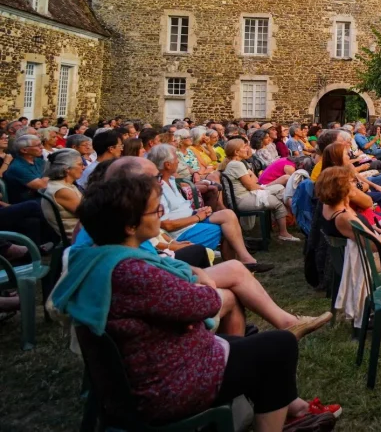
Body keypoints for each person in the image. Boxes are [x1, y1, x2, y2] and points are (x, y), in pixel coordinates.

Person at [52, 171, 340, 430]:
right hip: (166, 384)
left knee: (256, 346)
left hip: (149, 368)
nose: (160, 216)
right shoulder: (132, 272)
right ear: (129, 226)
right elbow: (205, 305)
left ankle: (289, 410)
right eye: (156, 211)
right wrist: (203, 279)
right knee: (281, 345)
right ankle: (279, 418)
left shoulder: (94, 259)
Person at [148, 144, 275, 271]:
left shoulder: (170, 179)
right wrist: (198, 217)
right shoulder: (158, 188)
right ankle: (236, 267)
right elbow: (166, 225)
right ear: (167, 165)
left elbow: (178, 209)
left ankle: (244, 259)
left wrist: (197, 212)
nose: (179, 161)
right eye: (176, 158)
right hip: (181, 231)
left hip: (191, 219)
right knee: (227, 231)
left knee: (228, 214)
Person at [219, 139, 300, 243]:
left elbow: (255, 182)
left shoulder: (236, 164)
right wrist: (262, 188)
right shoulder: (236, 165)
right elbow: (251, 186)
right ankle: (286, 231)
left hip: (245, 196)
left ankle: (293, 220)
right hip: (243, 199)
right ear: (236, 152)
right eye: (244, 147)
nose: (247, 149)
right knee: (278, 202)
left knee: (279, 188)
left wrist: (256, 181)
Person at [43, 148, 85, 237]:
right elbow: (89, 214)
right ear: (67, 169)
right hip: (80, 237)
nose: (83, 167)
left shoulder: (67, 185)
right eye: (80, 164)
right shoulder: (62, 190)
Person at [3, 133, 48, 203]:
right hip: (28, 204)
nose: (42, 147)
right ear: (24, 150)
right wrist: (50, 177)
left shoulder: (39, 161)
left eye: (41, 144)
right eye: (38, 145)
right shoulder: (17, 167)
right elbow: (44, 187)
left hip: (41, 199)